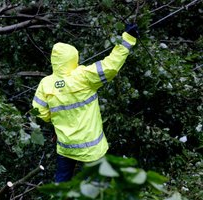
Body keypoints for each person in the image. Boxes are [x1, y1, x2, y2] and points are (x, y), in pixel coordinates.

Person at [32, 24, 138, 183]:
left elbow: (39, 111)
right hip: (91, 151)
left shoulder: (46, 84)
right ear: (73, 58)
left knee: (60, 187)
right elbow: (111, 65)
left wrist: (55, 121)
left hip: (65, 147)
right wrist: (128, 39)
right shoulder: (84, 77)